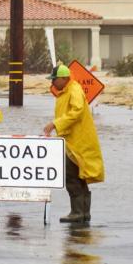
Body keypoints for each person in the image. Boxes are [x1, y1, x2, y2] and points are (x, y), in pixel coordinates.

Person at [43, 64, 104, 224]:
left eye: (55, 79)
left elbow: (76, 111)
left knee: (71, 176)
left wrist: (55, 124)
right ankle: (83, 213)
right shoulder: (66, 91)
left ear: (64, 78)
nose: (53, 83)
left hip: (77, 142)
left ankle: (78, 212)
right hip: (72, 140)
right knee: (79, 176)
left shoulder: (74, 90)